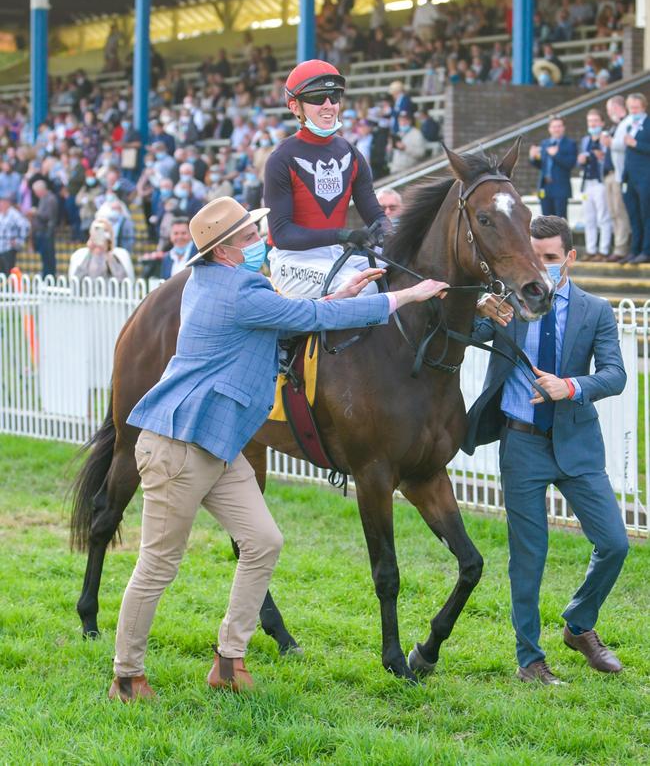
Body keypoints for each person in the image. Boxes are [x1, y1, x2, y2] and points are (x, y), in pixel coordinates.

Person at [109, 196, 449, 701]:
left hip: (217, 445)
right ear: (224, 252)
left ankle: (229, 659)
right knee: (158, 564)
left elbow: (296, 315)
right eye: (248, 238)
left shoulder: (230, 283)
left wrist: (343, 293)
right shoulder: (238, 290)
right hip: (178, 448)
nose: (259, 242)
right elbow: (298, 313)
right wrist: (407, 295)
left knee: (264, 541)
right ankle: (126, 676)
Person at [463, 215, 628, 685]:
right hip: (522, 445)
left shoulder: (595, 310)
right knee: (528, 556)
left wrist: (570, 386)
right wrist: (477, 310)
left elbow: (614, 374)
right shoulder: (509, 306)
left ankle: (579, 624)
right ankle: (530, 659)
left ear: (570, 258)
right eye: (535, 258)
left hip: (577, 444)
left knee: (615, 543)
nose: (542, 267)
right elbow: (465, 337)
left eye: (551, 259)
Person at [264, 59, 390, 297]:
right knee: (365, 288)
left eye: (334, 96)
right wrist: (341, 235)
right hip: (291, 261)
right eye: (316, 98)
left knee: (407, 272)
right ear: (294, 107)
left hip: (335, 254)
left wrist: (390, 235)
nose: (328, 105)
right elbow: (282, 234)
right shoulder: (281, 158)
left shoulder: (351, 154)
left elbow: (375, 215)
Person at [577, 110, 612, 261]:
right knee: (589, 218)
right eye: (590, 121)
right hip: (587, 183)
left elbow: (610, 161)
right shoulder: (585, 140)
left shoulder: (606, 139)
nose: (593, 124)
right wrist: (581, 161)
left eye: (596, 121)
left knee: (603, 217)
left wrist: (601, 157)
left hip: (601, 182)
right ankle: (591, 250)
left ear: (602, 123)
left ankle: (603, 250)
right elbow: (580, 162)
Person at [601, 95, 631, 261]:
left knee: (620, 212)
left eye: (610, 109)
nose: (608, 112)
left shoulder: (626, 123)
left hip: (619, 175)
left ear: (617, 107)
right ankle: (618, 246)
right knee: (613, 212)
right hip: (608, 175)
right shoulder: (614, 126)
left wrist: (610, 143)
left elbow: (625, 146)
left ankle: (621, 248)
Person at [529, 116, 577, 218]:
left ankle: (561, 235)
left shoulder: (570, 144)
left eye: (559, 126)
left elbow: (570, 164)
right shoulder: (545, 143)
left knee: (560, 221)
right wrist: (533, 158)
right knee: (546, 221)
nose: (556, 129)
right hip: (545, 187)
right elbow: (542, 165)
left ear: (564, 128)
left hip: (560, 188)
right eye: (554, 127)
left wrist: (555, 155)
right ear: (549, 129)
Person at [621, 93, 650, 264]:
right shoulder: (630, 125)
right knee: (633, 215)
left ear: (644, 107)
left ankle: (646, 251)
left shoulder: (648, 124)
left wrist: (636, 144)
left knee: (646, 215)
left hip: (645, 178)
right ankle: (635, 249)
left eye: (636, 108)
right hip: (630, 179)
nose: (633, 111)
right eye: (631, 108)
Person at [68, 217, 133, 281]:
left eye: (103, 231)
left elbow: (124, 281)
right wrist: (91, 249)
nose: (99, 235)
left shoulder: (120, 255)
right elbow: (75, 280)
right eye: (96, 231)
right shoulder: (80, 255)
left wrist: (108, 251)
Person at [28, 178, 58, 278]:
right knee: (45, 259)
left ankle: (49, 278)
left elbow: (48, 217)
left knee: (49, 259)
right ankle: (47, 277)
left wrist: (36, 212)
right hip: (42, 233)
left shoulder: (50, 199)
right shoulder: (44, 198)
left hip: (47, 233)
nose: (35, 194)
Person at [0, 188, 30, 275]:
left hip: (8, 248)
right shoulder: (1, 214)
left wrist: (19, 241)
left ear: (7, 203)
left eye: (2, 202)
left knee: (8, 271)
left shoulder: (14, 214)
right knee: (1, 273)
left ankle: (10, 288)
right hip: (1, 247)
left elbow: (25, 225)